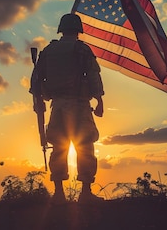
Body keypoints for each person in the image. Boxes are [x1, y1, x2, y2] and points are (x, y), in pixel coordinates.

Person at [30, 13, 104, 204]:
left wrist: (38, 101)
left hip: (58, 107)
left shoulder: (49, 51)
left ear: (61, 30)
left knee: (59, 148)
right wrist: (99, 99)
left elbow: (37, 80)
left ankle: (59, 194)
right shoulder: (81, 49)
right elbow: (94, 75)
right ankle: (85, 193)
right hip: (79, 105)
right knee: (85, 146)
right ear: (78, 30)